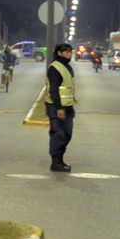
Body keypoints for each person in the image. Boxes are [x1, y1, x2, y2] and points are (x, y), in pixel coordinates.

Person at [44, 42, 77, 172]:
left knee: (67, 134)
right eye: (67, 52)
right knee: (59, 134)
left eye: (70, 52)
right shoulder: (55, 68)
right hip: (56, 107)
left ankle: (60, 160)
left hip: (67, 107)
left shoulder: (67, 67)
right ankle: (55, 162)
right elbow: (54, 91)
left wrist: (70, 108)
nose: (70, 54)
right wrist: (59, 108)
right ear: (59, 53)